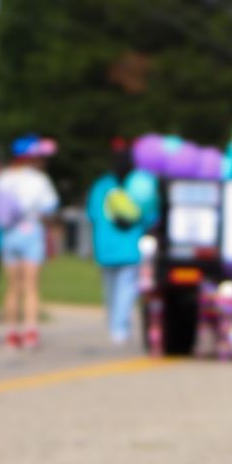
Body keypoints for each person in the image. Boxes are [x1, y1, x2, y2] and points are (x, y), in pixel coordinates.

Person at [0, 135, 61, 350]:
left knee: (13, 287)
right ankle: (31, 331)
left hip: (9, 234)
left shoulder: (4, 178)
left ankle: (11, 332)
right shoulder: (40, 181)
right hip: (31, 231)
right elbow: (49, 208)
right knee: (31, 287)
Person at [87, 145, 158, 347]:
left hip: (105, 246)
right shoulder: (138, 185)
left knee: (110, 290)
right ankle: (120, 328)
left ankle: (114, 325)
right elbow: (149, 216)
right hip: (130, 246)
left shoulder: (101, 185)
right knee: (126, 290)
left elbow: (93, 214)